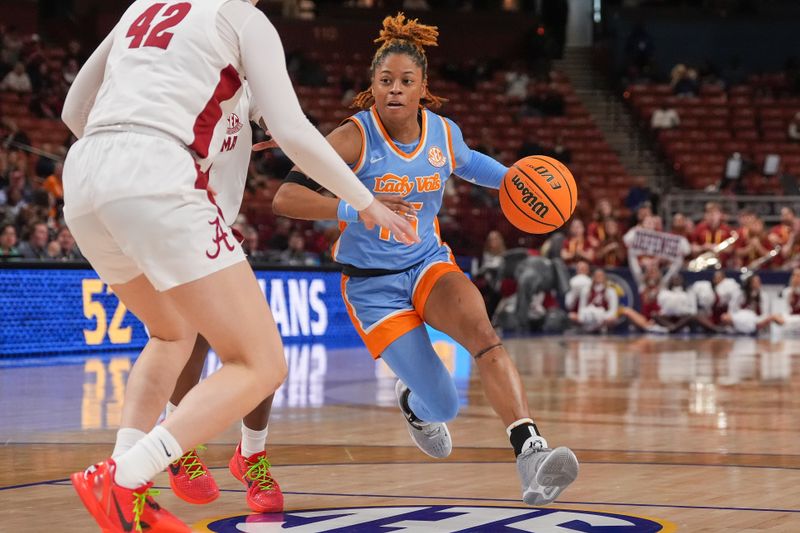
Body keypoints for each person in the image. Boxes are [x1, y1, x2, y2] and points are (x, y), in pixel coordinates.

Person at [61, 1, 417, 531]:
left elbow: (73, 109)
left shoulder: (143, 6)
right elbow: (293, 130)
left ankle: (124, 492)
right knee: (262, 364)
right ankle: (126, 476)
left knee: (170, 334)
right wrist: (368, 204)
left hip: (86, 175)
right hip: (159, 176)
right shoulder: (242, 18)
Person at [270, 13, 578, 506]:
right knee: (444, 404)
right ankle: (415, 403)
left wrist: (524, 185)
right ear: (372, 86)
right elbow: (284, 198)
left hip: (428, 265)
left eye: (406, 81)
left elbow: (477, 165)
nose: (394, 90)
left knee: (485, 338)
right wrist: (356, 207)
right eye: (385, 80)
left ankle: (532, 456)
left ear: (423, 88)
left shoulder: (443, 134)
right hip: (371, 287)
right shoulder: (353, 138)